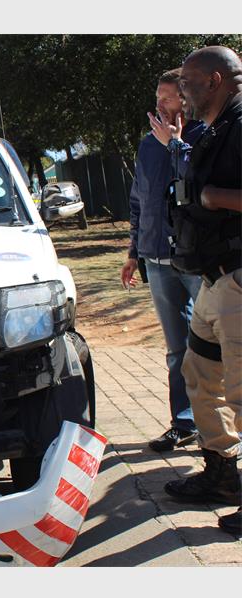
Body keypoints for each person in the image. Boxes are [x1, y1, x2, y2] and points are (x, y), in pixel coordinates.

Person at [160, 46, 242, 538]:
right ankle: (222, 473)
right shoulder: (214, 129)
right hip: (215, 280)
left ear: (215, 80)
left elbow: (216, 195)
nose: (181, 90)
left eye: (188, 82)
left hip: (239, 279)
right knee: (200, 371)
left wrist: (215, 197)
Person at [120, 69, 205, 452]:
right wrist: (133, 252)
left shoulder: (204, 137)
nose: (159, 104)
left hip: (197, 259)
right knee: (176, 350)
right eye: (157, 97)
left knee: (217, 346)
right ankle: (184, 423)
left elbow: (199, 186)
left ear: (185, 101)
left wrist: (175, 145)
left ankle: (223, 427)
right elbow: (138, 201)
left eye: (166, 97)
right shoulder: (146, 145)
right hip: (155, 259)